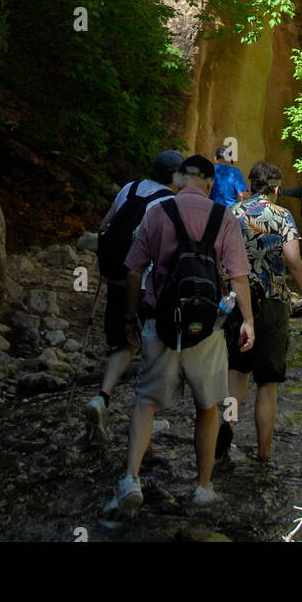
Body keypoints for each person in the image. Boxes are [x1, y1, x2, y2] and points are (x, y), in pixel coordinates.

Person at [104, 154, 255, 516]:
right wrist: (248, 320)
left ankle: (130, 480)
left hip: (161, 323)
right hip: (207, 328)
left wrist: (130, 317)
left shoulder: (157, 212)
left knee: (145, 403)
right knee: (207, 408)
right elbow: (237, 276)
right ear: (207, 181)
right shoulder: (224, 218)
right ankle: (203, 488)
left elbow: (132, 271)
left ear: (178, 178)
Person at [220, 160, 302, 463]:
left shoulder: (230, 214)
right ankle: (263, 455)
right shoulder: (282, 215)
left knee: (236, 373)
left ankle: (224, 439)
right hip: (275, 304)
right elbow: (293, 261)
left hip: (237, 304)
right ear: (276, 188)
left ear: (251, 184)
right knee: (267, 382)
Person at [83, 150, 181, 440]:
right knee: (141, 342)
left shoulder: (131, 187)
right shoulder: (170, 202)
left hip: (116, 276)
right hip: (143, 283)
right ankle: (139, 416)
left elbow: (104, 227)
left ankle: (102, 397)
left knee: (123, 343)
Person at [209, 142, 249, 209]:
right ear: (230, 159)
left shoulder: (209, 170)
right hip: (229, 211)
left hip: (210, 210)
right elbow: (243, 195)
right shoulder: (235, 172)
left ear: (215, 158)